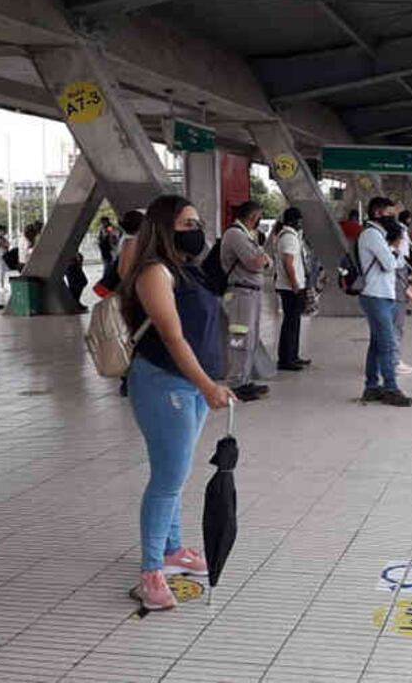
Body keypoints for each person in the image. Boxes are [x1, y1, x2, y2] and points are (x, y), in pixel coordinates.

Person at [120, 194, 234, 611]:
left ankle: (171, 550)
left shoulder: (188, 271)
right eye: (187, 224)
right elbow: (172, 336)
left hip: (192, 384)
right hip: (164, 383)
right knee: (168, 478)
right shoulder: (154, 272)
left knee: (177, 472)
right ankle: (151, 571)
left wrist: (211, 381)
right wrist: (206, 385)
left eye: (198, 222)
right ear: (164, 228)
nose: (196, 230)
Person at [358, 197, 412, 407]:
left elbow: (399, 262)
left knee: (376, 343)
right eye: (390, 214)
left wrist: (398, 242)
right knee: (388, 344)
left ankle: (371, 386)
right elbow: (390, 264)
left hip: (384, 294)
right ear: (378, 213)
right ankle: (391, 388)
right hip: (375, 295)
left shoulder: (381, 235)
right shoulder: (371, 234)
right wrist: (396, 245)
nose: (394, 218)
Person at [220, 201, 272, 401]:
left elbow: (265, 261)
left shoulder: (246, 235)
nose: (259, 220)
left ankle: (244, 378)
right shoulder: (235, 234)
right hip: (241, 294)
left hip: (251, 294)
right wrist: (263, 260)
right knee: (239, 339)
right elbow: (255, 262)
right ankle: (235, 382)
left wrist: (264, 260)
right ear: (253, 216)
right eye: (259, 216)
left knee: (250, 338)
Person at [274, 206, 312, 374]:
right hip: (290, 287)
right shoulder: (288, 237)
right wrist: (295, 283)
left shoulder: (290, 235)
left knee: (294, 322)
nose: (301, 224)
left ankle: (293, 356)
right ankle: (286, 359)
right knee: (290, 323)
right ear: (294, 220)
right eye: (299, 220)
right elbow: (288, 263)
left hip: (291, 285)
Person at [393, 210, 412, 376]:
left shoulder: (401, 231)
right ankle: (394, 361)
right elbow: (401, 256)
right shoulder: (398, 231)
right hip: (397, 273)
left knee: (394, 322)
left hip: (399, 273)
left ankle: (390, 360)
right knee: (396, 323)